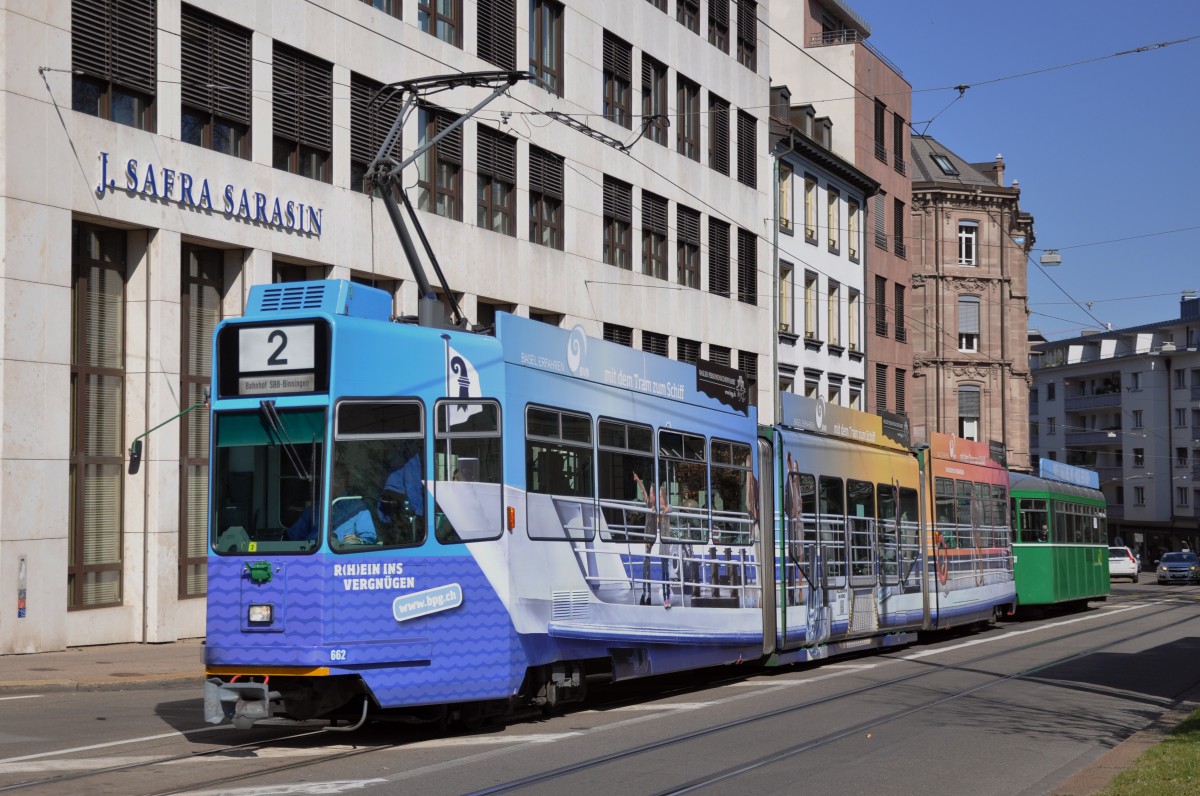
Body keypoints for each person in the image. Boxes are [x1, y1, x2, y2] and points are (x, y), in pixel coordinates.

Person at [286, 461, 378, 545]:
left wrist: (359, 541)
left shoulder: (358, 508)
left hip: (341, 555)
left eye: (330, 477)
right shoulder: (316, 508)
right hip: (312, 553)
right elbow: (294, 536)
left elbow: (368, 537)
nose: (323, 482)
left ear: (343, 479)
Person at [378, 451, 426, 542]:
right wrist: (419, 513)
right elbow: (412, 485)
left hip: (388, 498)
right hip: (401, 501)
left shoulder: (395, 451)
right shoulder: (411, 452)